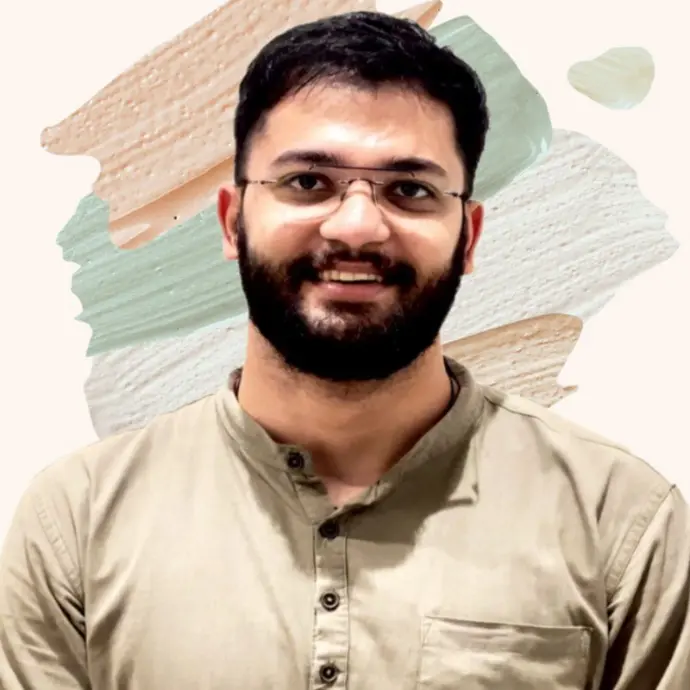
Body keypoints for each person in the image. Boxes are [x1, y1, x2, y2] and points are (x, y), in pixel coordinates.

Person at [1, 11, 688, 690]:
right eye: (307, 182)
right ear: (233, 223)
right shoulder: (78, 521)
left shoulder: (620, 521)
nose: (357, 225)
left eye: (410, 190)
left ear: (469, 237)